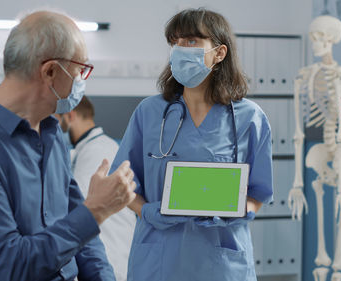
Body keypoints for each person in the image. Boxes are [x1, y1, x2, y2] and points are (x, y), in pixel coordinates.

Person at [0, 11, 136, 281]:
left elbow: (83, 239)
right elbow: (10, 266)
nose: (82, 80)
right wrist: (96, 209)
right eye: (79, 69)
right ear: (50, 71)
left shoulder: (50, 133)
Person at [110, 8, 273, 281]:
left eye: (191, 41)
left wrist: (239, 211)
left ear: (219, 53)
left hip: (221, 261)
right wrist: (147, 211)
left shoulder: (249, 118)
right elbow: (123, 183)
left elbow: (259, 192)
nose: (180, 49)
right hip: (159, 259)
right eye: (175, 42)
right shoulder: (149, 113)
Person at [57, 96, 136, 281]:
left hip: (111, 258)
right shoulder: (89, 149)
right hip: (106, 259)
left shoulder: (98, 152)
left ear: (70, 116)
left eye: (58, 121)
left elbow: (80, 208)